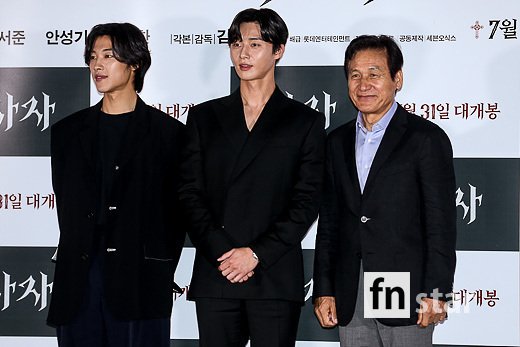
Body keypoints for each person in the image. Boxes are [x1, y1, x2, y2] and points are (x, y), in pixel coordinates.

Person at [178, 8, 325, 347]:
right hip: (218, 271)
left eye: (255, 44)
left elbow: (306, 202)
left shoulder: (305, 122)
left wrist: (256, 254)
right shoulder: (204, 116)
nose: (243, 53)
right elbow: (189, 193)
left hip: (273, 274)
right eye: (236, 43)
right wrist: (225, 252)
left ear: (279, 50)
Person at [46, 22, 186, 347]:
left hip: (140, 282)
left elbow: (177, 214)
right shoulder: (67, 133)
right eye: (93, 56)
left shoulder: (169, 135)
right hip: (78, 281)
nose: (97, 65)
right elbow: (66, 204)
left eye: (108, 56)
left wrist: (158, 267)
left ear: (134, 62)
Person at [313, 35, 457, 347]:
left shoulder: (425, 139)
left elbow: (440, 223)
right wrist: (324, 288)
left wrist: (436, 292)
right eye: (355, 75)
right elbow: (329, 222)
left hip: (403, 285)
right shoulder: (335, 143)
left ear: (397, 79)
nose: (363, 84)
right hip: (351, 283)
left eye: (374, 74)